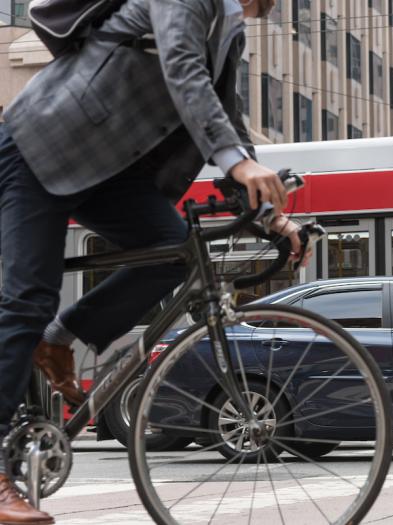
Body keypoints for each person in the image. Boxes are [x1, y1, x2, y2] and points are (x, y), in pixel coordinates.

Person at [0, 0, 300, 522]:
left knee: (173, 254)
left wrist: (270, 215)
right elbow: (182, 68)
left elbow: (224, 114)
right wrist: (238, 161)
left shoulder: (230, 27)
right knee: (27, 297)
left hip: (110, 171)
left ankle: (58, 339)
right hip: (41, 145)